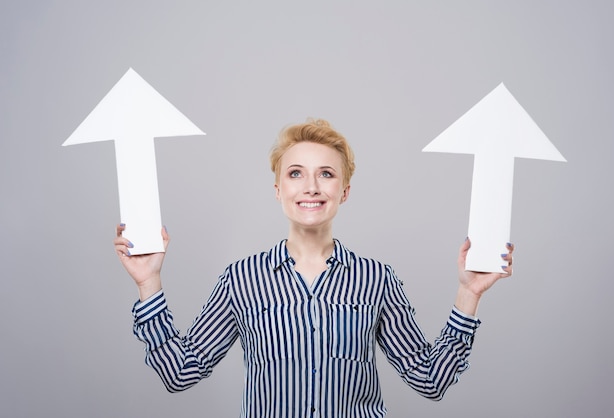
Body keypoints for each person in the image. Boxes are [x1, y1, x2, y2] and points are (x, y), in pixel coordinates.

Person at [114, 119, 514, 417]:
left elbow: (429, 380)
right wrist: (149, 282)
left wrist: (469, 294)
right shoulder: (242, 280)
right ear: (278, 190)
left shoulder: (377, 280)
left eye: (326, 174)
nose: (311, 187)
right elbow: (180, 372)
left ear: (344, 190)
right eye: (295, 174)